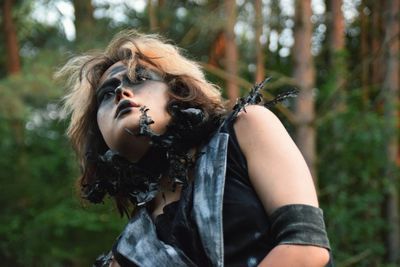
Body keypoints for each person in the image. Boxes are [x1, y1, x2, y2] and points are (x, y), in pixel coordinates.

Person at [58, 30, 333, 267]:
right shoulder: (129, 251)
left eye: (139, 78)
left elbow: (306, 246)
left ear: (178, 88)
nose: (121, 92)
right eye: (107, 93)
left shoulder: (246, 128)